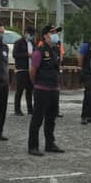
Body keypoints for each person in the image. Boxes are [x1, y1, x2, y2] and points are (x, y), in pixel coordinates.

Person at [28, 24, 65, 156]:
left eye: (56, 32)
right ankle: (33, 146)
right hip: (42, 89)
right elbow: (33, 71)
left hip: (53, 88)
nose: (55, 35)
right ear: (45, 35)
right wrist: (37, 84)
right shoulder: (40, 51)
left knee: (51, 118)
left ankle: (50, 143)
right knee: (37, 119)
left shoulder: (55, 49)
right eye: (52, 33)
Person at [13, 26, 36, 116]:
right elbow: (15, 54)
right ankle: (17, 109)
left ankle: (30, 109)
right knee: (19, 90)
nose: (32, 36)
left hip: (30, 69)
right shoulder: (19, 42)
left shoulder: (32, 43)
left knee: (29, 90)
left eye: (33, 35)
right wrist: (27, 55)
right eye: (30, 34)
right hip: (21, 69)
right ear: (25, 33)